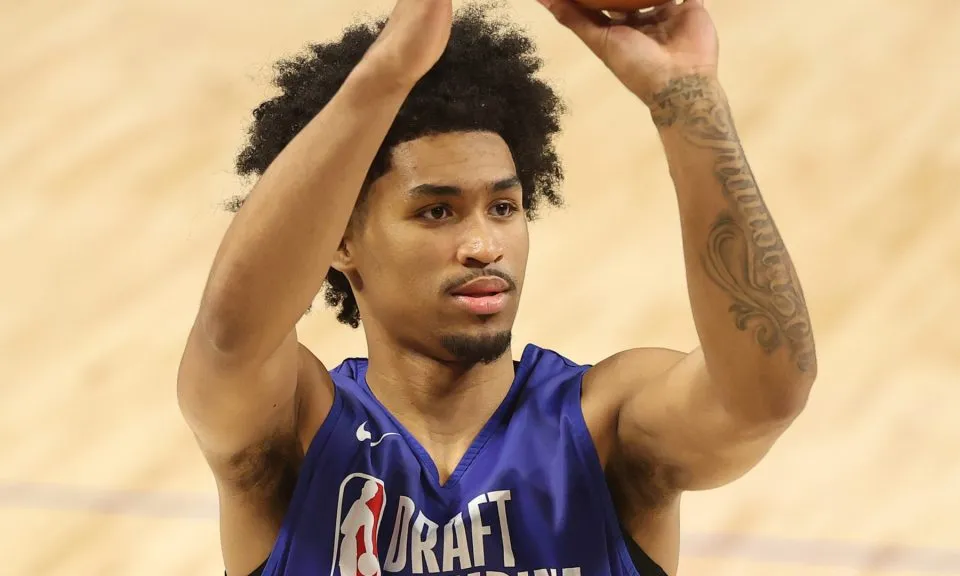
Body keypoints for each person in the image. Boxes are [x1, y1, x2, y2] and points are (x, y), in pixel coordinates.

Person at [176, 0, 818, 575]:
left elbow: (765, 393)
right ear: (339, 241)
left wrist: (687, 100)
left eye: (504, 208)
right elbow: (230, 339)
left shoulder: (604, 426)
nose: (485, 246)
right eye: (438, 212)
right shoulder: (299, 431)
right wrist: (386, 75)